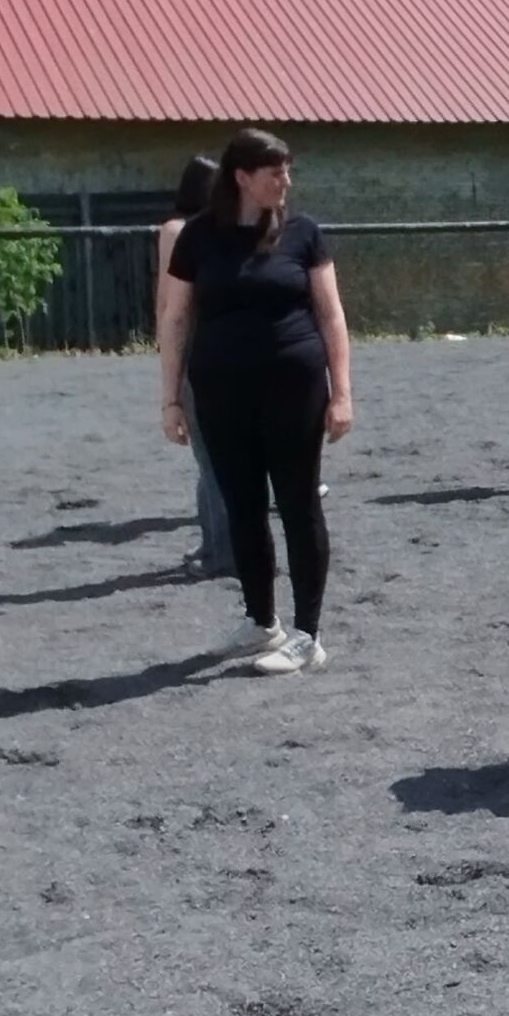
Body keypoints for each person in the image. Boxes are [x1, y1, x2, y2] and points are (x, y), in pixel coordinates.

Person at [157, 128, 353, 676]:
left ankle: (308, 635)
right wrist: (170, 399)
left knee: (297, 503)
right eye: (274, 172)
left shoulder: (303, 233)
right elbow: (176, 318)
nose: (285, 181)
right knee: (241, 505)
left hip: (294, 386)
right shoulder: (197, 237)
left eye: (287, 171)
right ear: (242, 177)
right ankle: (261, 620)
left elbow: (331, 314)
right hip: (220, 391)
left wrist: (342, 392)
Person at [155, 155, 233, 580]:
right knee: (211, 460)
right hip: (218, 345)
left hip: (196, 349)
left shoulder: (178, 230)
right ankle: (215, 543)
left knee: (211, 460)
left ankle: (224, 551)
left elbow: (168, 303)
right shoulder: (221, 230)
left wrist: (165, 352)